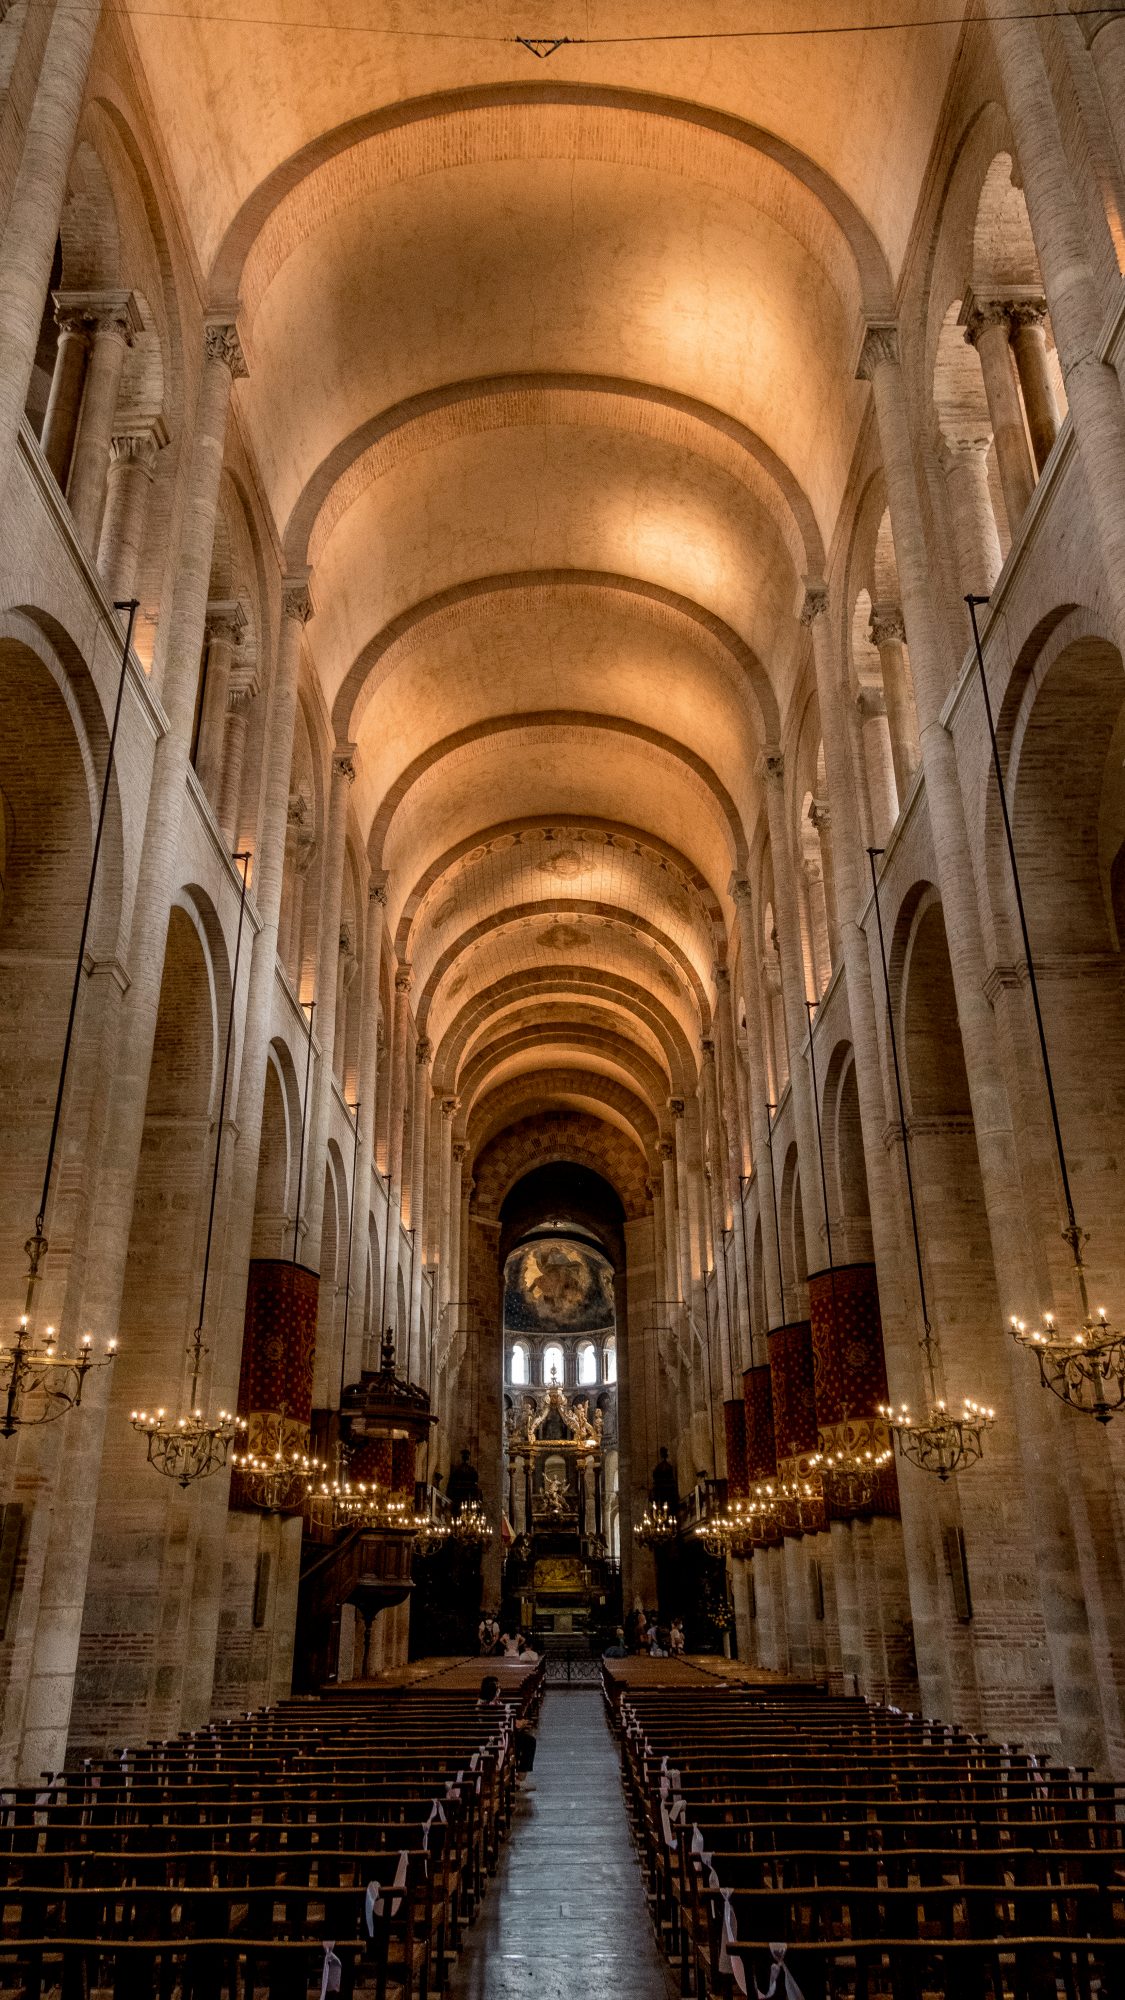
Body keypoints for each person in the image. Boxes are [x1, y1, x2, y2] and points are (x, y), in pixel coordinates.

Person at [478, 1674, 537, 1788]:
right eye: (497, 1688)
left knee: (525, 1739)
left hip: (492, 1737)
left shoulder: (482, 1702)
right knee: (529, 1742)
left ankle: (515, 1774)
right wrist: (518, 1724)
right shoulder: (491, 1706)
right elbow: (503, 1722)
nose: (499, 1690)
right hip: (499, 1739)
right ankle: (521, 1778)